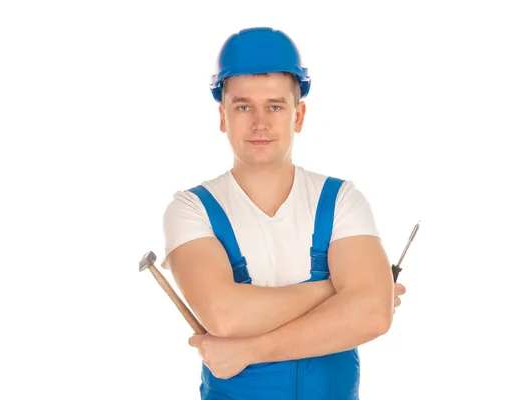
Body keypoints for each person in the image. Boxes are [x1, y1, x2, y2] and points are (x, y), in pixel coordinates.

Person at [160, 26, 407, 400]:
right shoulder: (191, 209)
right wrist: (336, 291)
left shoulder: (341, 200)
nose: (260, 123)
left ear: (299, 115)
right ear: (223, 116)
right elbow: (225, 316)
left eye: (275, 106)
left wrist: (248, 349)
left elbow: (372, 314)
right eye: (243, 106)